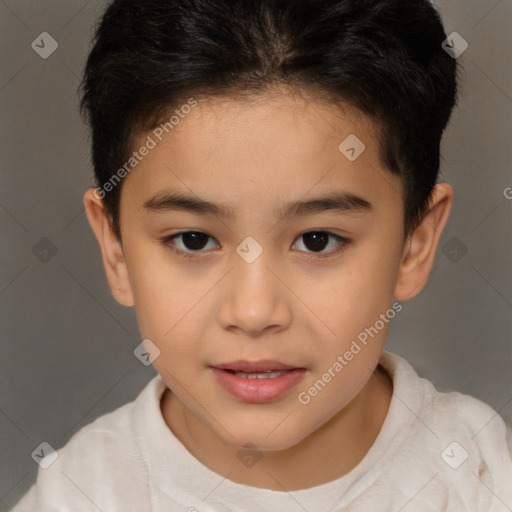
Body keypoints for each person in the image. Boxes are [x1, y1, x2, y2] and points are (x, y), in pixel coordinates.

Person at [11, 0, 512, 510]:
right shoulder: (81, 494)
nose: (253, 313)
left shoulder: (481, 478)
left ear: (415, 244)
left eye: (317, 240)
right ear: (115, 249)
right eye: (193, 240)